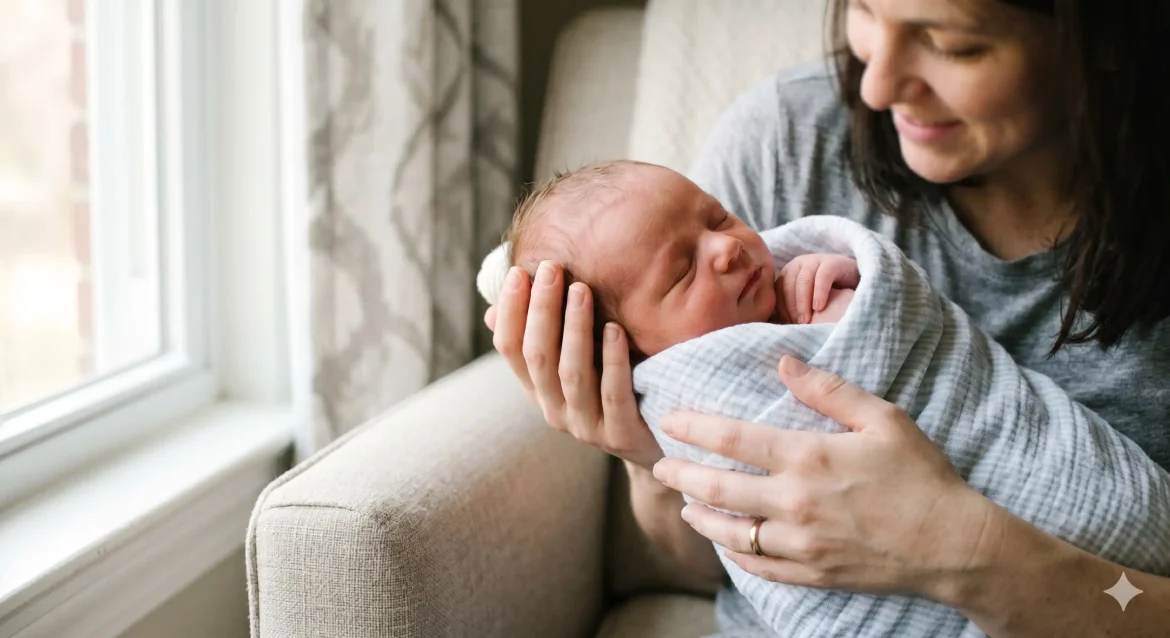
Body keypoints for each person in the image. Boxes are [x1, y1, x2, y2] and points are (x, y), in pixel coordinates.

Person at [486, 0, 1170, 635]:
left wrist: (965, 549)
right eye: (866, 9)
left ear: (1107, 37)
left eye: (950, 44)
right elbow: (699, 561)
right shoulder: (789, 138)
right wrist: (649, 449)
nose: (874, 89)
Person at [502, 159, 858, 362]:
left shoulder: (801, 286)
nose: (727, 247)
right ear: (625, 347)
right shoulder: (684, 400)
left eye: (719, 218)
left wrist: (853, 280)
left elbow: (892, 317)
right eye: (683, 271)